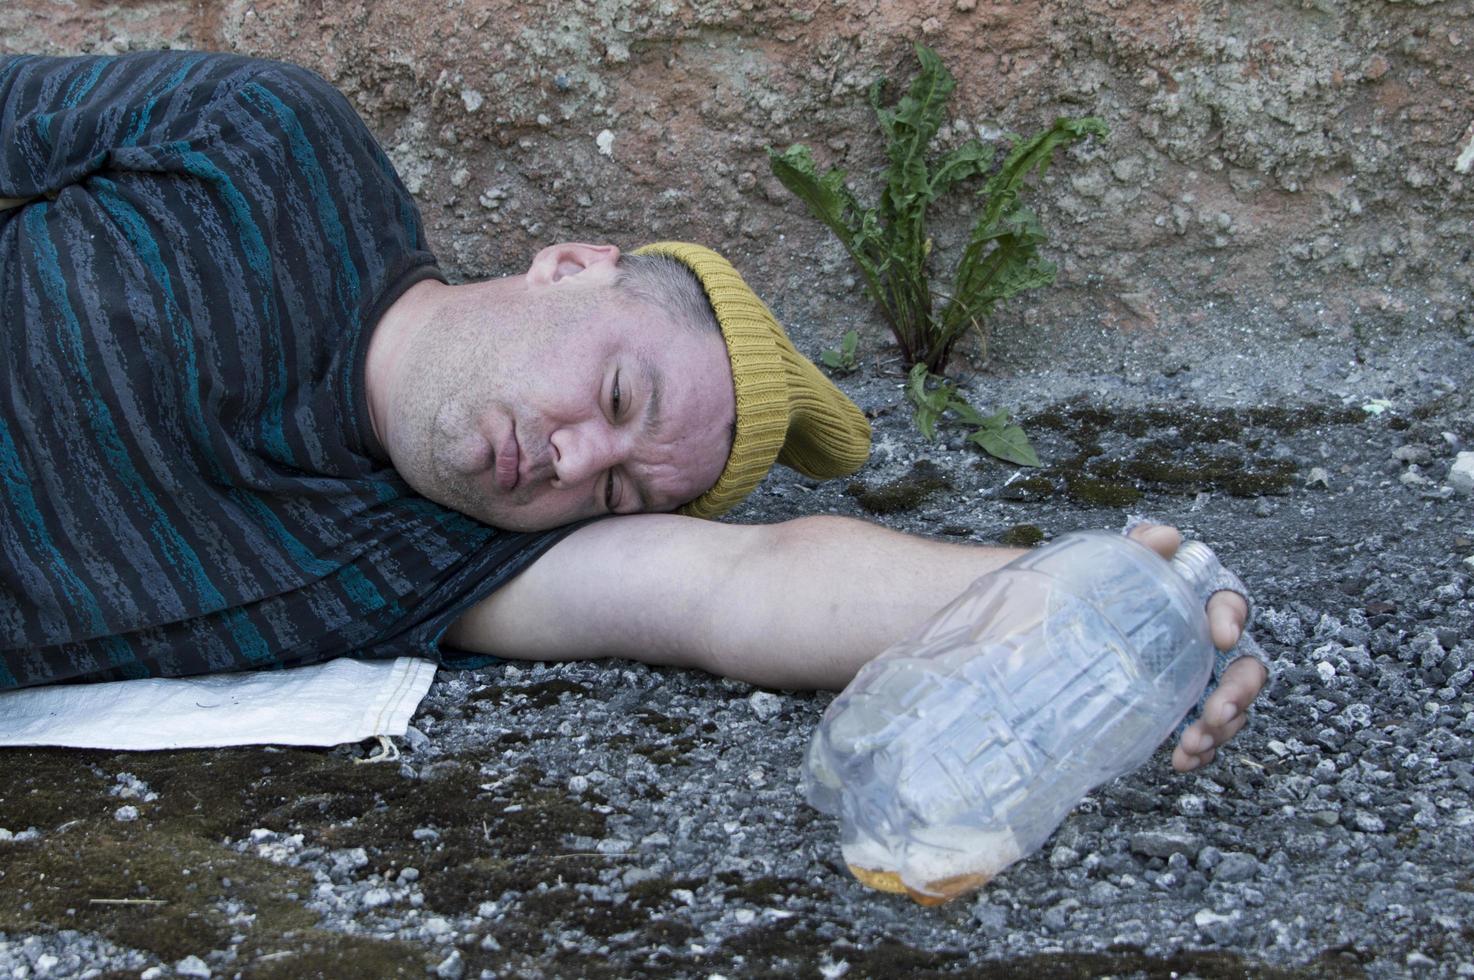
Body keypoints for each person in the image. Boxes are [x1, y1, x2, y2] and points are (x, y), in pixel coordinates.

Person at [0, 50, 1266, 772]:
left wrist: (1091, 599)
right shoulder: (273, 143)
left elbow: (749, 586)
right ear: (566, 265)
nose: (570, 458)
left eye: (613, 489)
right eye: (615, 395)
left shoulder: (445, 554)